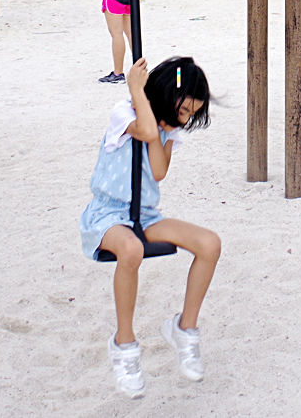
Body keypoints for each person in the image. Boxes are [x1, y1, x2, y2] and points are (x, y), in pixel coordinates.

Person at [80, 55, 218, 398]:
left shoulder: (169, 132)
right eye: (183, 111)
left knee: (209, 244)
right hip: (108, 214)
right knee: (131, 249)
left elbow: (157, 170)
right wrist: (135, 90)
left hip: (145, 215)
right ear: (165, 97)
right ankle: (124, 345)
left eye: (190, 114)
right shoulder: (124, 111)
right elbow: (142, 129)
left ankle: (184, 328)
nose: (184, 120)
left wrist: (165, 129)